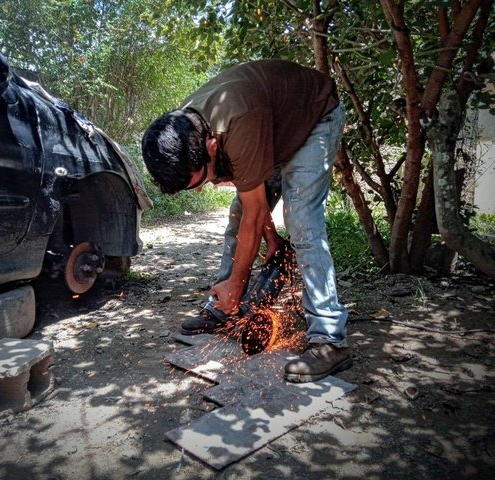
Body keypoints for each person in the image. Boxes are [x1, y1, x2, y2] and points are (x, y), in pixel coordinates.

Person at [142, 60, 352, 382]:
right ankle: (222, 309)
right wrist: (271, 240)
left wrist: (239, 284)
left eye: (201, 181)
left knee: (301, 218)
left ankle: (328, 340)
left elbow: (256, 212)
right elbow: (252, 208)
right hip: (271, 130)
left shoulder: (238, 122)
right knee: (239, 214)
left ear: (211, 147)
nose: (204, 187)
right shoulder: (183, 127)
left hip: (313, 120)